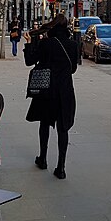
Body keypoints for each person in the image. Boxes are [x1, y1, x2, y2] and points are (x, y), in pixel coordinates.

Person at [23, 14, 78, 179]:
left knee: (44, 124)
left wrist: (29, 43)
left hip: (47, 91)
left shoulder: (46, 44)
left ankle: (43, 158)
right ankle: (61, 167)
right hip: (65, 91)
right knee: (63, 129)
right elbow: (73, 68)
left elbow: (29, 61)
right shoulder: (73, 44)